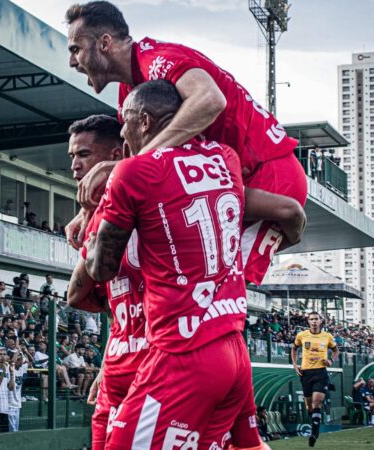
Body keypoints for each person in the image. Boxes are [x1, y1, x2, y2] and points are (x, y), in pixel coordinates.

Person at [64, 1, 307, 288]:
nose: (72, 62)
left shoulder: (157, 59)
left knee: (218, 289)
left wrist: (134, 165)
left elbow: (211, 100)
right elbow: (129, 166)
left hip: (269, 175)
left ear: (104, 43)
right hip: (222, 185)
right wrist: (88, 209)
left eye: (75, 49)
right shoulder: (128, 95)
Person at [85, 80, 256, 450]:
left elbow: (101, 269)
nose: (123, 132)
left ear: (144, 122)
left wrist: (94, 215)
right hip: (233, 346)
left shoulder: (133, 173)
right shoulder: (226, 158)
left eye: (125, 122)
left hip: (183, 351)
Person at [64, 114, 150, 450]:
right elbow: (77, 297)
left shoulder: (150, 205)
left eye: (83, 154)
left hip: (159, 363)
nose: (74, 164)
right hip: (117, 364)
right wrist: (104, 367)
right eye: (72, 156)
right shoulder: (94, 218)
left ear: (116, 155)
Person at [291, 312, 339, 446]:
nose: (314, 321)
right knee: (309, 406)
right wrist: (295, 365)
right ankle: (315, 422)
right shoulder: (302, 335)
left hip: (321, 373)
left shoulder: (327, 336)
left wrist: (331, 361)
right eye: (311, 319)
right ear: (308, 321)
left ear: (320, 321)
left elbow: (336, 351)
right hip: (306, 373)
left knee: (317, 402)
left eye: (316, 319)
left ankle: (314, 433)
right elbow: (294, 349)